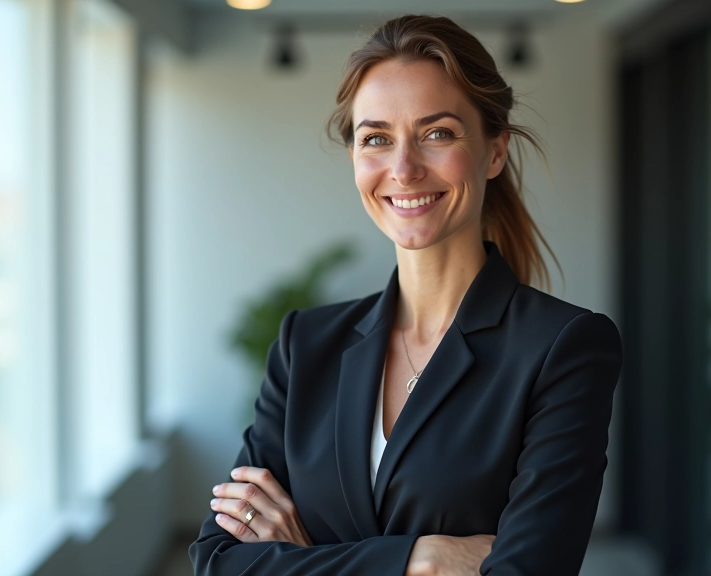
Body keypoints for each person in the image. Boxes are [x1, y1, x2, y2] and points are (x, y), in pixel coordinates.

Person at [190, 14, 621, 576]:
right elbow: (218, 562)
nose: (404, 168)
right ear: (354, 156)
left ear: (494, 152)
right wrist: (423, 557)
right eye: (377, 139)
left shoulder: (562, 348)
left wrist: (306, 559)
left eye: (437, 133)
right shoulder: (305, 346)